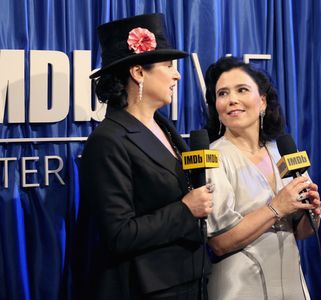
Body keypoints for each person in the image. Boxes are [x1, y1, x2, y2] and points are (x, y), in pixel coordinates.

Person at [79, 14, 213, 299]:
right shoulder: (107, 141)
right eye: (168, 66)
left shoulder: (164, 125)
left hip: (191, 280)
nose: (177, 74)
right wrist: (185, 209)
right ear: (138, 73)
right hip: (145, 288)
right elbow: (118, 234)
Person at [204, 57, 321, 300]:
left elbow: (300, 233)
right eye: (223, 93)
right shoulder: (213, 157)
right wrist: (276, 207)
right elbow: (220, 242)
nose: (232, 99)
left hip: (291, 286)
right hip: (239, 289)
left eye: (242, 90)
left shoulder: (283, 152)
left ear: (263, 102)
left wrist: (313, 215)